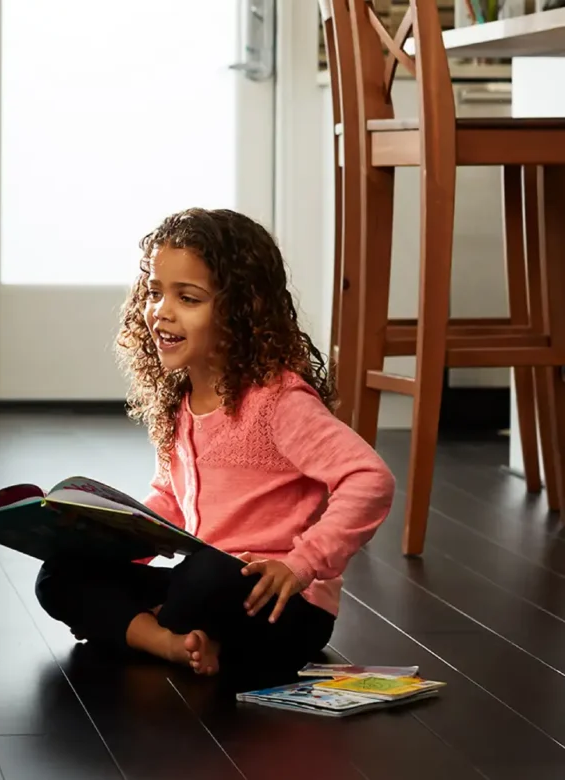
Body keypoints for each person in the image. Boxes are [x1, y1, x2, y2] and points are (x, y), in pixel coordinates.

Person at [34, 207, 395, 685]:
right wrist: (111, 540)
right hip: (203, 586)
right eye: (155, 292)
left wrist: (301, 564)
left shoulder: (280, 401)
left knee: (205, 576)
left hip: (279, 604)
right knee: (59, 574)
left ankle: (143, 628)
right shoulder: (179, 400)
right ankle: (171, 643)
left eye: (188, 298)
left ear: (242, 311)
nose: (161, 311)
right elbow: (171, 499)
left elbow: (370, 479)